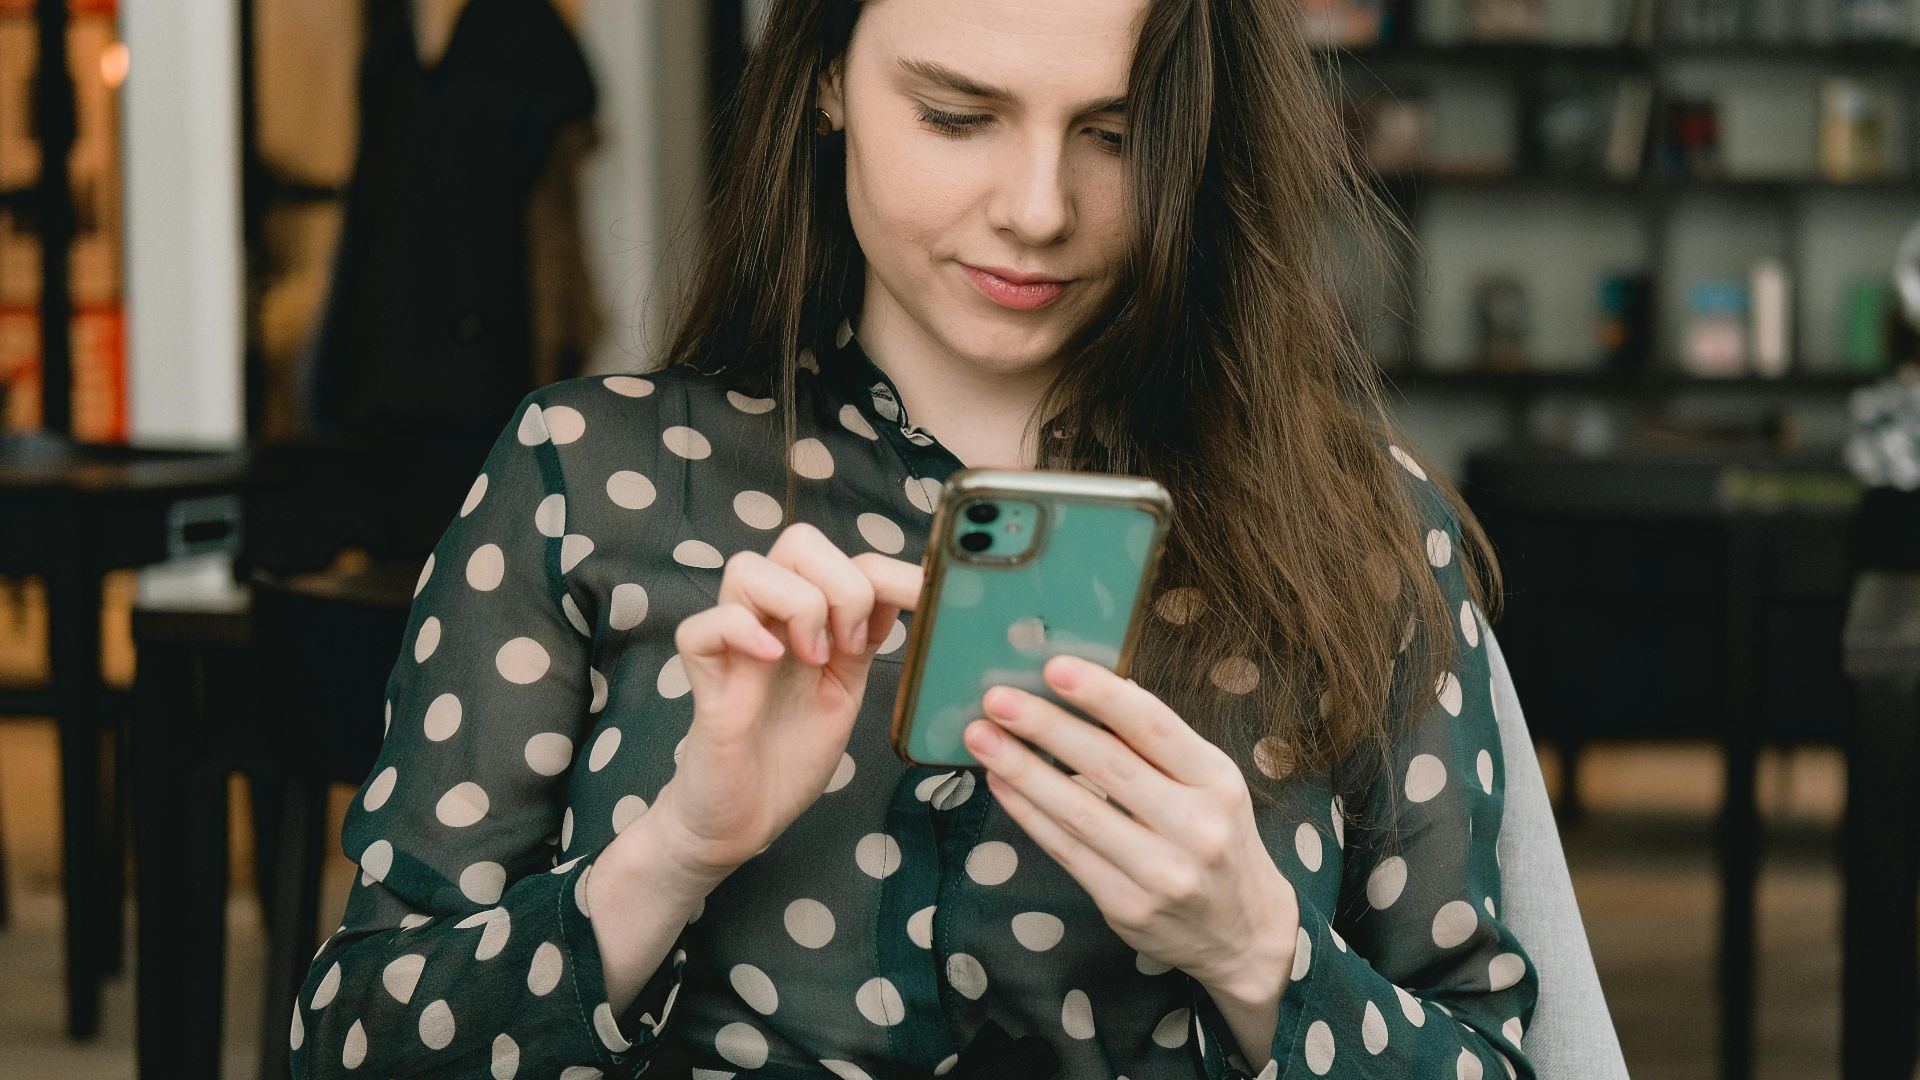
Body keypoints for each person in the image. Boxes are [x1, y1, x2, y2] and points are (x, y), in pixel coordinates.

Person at [289, 1, 1536, 1077]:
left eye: (1115, 134)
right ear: (828, 75)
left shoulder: (1363, 530)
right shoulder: (586, 477)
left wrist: (1260, 954)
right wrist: (673, 855)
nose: (1039, 211)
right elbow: (355, 1044)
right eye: (956, 116)